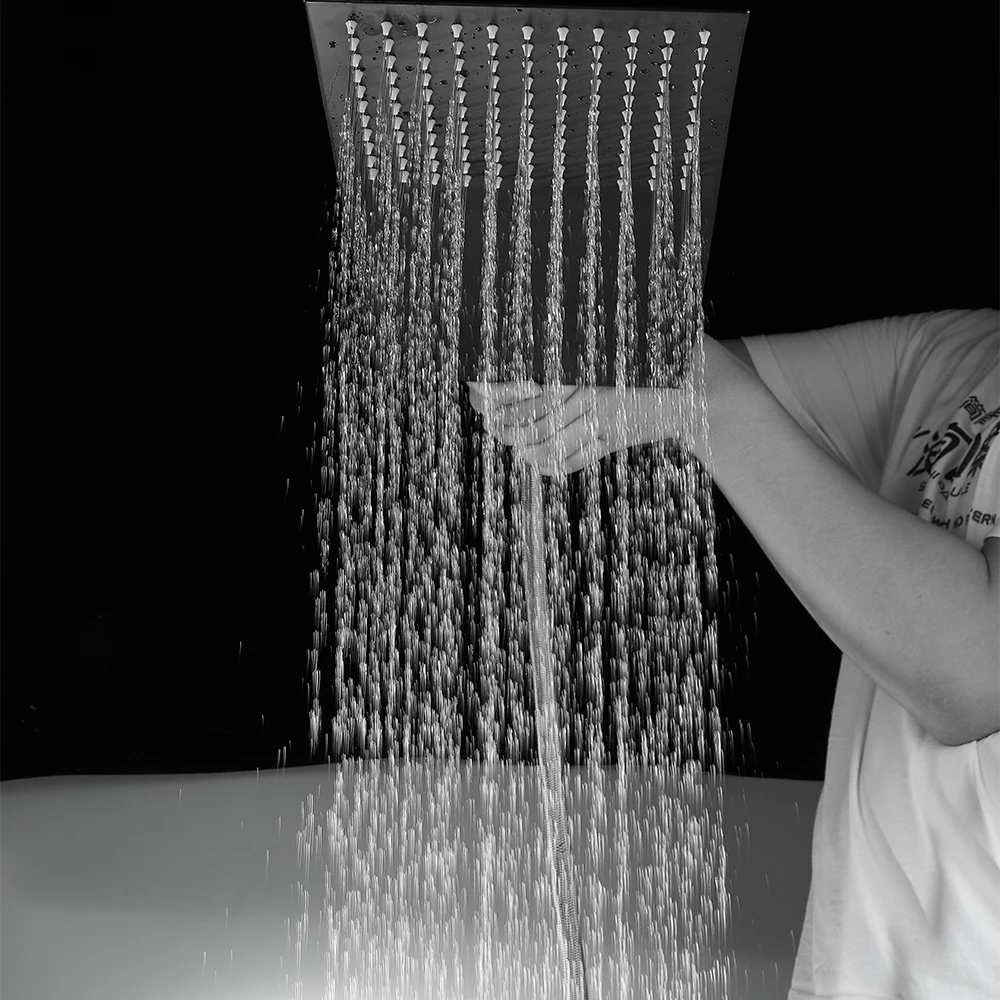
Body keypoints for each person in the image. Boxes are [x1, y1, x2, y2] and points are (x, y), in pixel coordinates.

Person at [467, 307, 1000, 1000]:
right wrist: (564, 361)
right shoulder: (964, 353)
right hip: (862, 972)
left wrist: (697, 395)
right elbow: (655, 390)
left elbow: (973, 673)